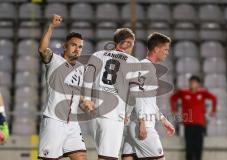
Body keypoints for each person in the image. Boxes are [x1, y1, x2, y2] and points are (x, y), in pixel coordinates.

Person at [82, 28, 145, 160]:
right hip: (114, 115)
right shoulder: (133, 62)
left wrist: (87, 99)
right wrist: (127, 113)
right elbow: (134, 94)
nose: (132, 48)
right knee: (108, 157)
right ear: (127, 43)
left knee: (102, 154)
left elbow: (87, 77)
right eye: (132, 44)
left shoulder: (98, 54)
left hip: (94, 113)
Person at [38, 14, 87, 160]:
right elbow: (42, 50)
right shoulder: (54, 60)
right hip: (54, 120)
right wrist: (51, 27)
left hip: (72, 123)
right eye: (74, 45)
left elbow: (76, 92)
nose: (77, 49)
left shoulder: (80, 68)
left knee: (81, 156)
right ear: (65, 46)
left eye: (80, 47)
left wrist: (84, 102)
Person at [122, 32, 175, 160]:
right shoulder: (145, 66)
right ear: (156, 49)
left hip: (134, 124)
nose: (167, 53)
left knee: (128, 157)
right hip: (142, 124)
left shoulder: (148, 67)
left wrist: (163, 120)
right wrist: (142, 122)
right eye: (165, 49)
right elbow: (137, 94)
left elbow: (149, 101)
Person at [170, 75, 217, 160]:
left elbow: (214, 98)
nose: (192, 84)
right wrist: (173, 110)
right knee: (189, 148)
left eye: (195, 82)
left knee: (198, 148)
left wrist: (213, 111)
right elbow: (172, 98)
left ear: (198, 84)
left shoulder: (203, 93)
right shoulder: (183, 92)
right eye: (191, 82)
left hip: (200, 124)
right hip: (188, 124)